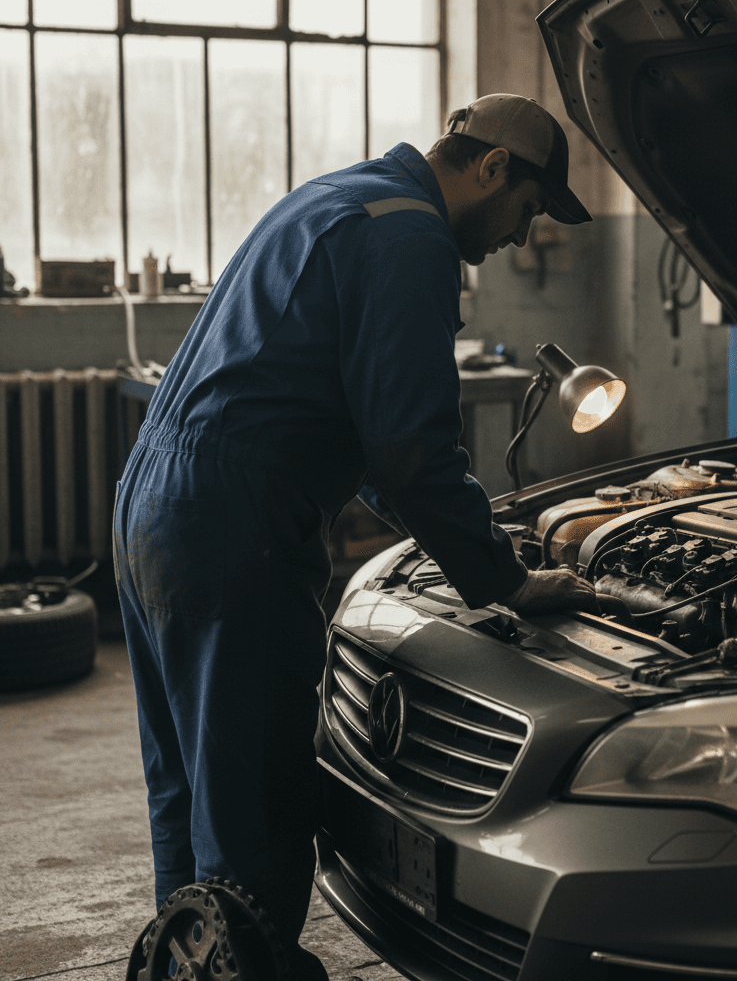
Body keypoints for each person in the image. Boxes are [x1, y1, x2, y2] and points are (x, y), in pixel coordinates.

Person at [112, 94, 599, 978]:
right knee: (255, 807)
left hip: (156, 502)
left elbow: (373, 443)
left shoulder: (340, 195)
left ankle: (190, 967)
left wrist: (462, 526)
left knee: (188, 793)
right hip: (235, 523)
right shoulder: (411, 236)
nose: (521, 237)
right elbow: (413, 450)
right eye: (527, 209)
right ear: (492, 170)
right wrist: (503, 577)